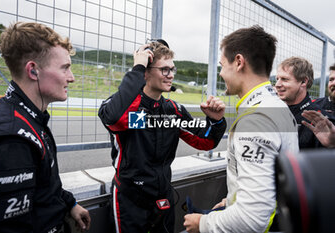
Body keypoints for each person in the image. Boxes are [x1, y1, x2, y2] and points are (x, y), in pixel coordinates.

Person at [98, 40, 227, 233]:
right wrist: (137, 68)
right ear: (146, 73)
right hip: (130, 199)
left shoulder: (173, 111)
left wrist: (215, 122)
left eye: (172, 69)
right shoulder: (128, 109)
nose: (171, 75)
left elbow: (205, 141)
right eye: (165, 70)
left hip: (163, 195)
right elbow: (114, 117)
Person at [183, 25, 299, 233]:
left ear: (238, 62)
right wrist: (232, 199)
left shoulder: (257, 119)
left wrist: (202, 224)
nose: (220, 73)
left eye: (222, 65)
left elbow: (252, 217)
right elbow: (271, 179)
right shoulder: (276, 106)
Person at [0, 22, 90, 232]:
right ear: (33, 70)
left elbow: (44, 183)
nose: (72, 77)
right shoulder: (12, 138)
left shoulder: (28, 118)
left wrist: (69, 203)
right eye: (65, 68)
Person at [275, 56, 335, 149]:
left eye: (284, 79)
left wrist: (331, 146)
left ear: (303, 82)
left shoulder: (321, 121)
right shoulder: (273, 111)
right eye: (277, 79)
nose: (277, 84)